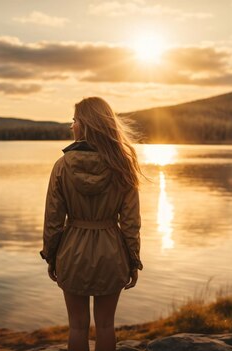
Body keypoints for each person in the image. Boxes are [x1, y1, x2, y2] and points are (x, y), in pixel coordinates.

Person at [39, 96, 148, 351]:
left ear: (86, 125)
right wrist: (133, 260)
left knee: (77, 327)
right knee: (106, 326)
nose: (71, 125)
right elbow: (131, 223)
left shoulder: (62, 166)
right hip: (112, 253)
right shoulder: (123, 165)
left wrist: (51, 256)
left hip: (72, 252)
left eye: (74, 120)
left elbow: (53, 220)